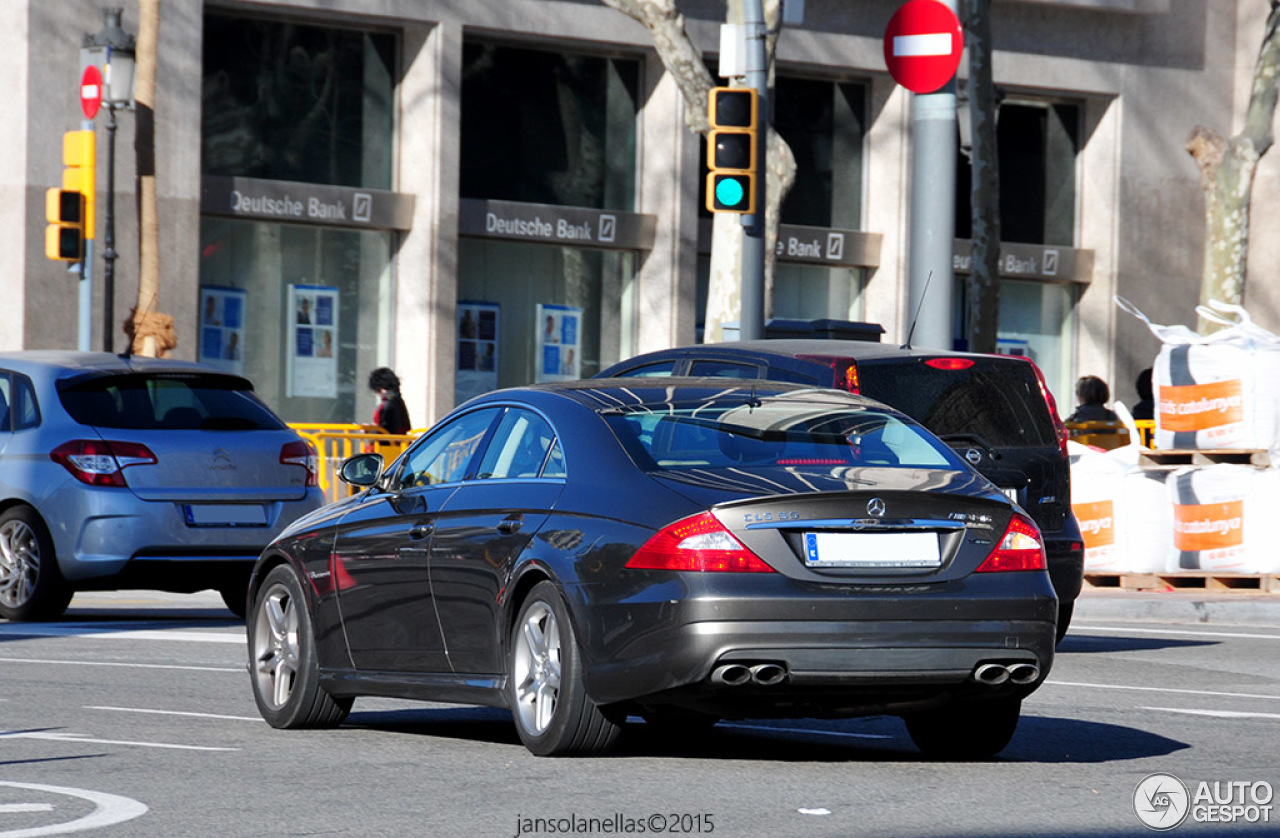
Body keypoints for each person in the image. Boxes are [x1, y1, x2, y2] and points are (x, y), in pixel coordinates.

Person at [369, 367, 411, 434]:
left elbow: (380, 428)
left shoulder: (386, 404)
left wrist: (369, 430)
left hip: (386, 443)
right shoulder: (398, 401)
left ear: (380, 389)